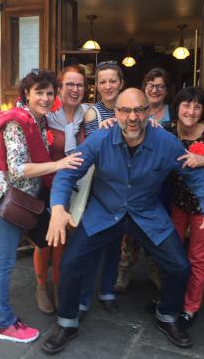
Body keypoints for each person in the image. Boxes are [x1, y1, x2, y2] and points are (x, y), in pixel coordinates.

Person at [41, 88, 204, 354]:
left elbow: (196, 177)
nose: (132, 117)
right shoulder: (100, 140)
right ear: (115, 113)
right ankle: (67, 322)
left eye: (139, 110)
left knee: (179, 266)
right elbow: (68, 172)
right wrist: (58, 207)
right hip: (104, 213)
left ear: (149, 111)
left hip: (146, 214)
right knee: (71, 262)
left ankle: (167, 316)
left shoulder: (166, 142)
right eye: (125, 110)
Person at [0, 70, 83, 343]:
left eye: (48, 93)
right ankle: (5, 322)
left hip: (19, 200)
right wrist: (58, 164)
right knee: (5, 262)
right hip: (7, 200)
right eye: (39, 93)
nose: (45, 98)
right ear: (27, 95)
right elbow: (18, 168)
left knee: (0, 258)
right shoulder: (17, 122)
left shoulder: (36, 120)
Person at [166, 86, 204, 329]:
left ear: (202, 110)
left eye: (197, 106)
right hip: (175, 201)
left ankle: (190, 307)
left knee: (197, 257)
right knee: (171, 253)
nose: (191, 110)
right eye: (186, 105)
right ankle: (171, 299)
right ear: (177, 107)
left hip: (203, 206)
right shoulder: (168, 131)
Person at [33, 65, 88, 315]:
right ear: (59, 87)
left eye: (80, 85)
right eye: (70, 84)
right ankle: (41, 286)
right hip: (47, 186)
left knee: (64, 241)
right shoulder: (45, 115)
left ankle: (58, 284)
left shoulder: (87, 116)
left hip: (76, 189)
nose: (75, 90)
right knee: (45, 240)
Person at [115, 68, 173, 293]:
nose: (155, 90)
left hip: (161, 180)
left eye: (160, 86)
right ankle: (125, 269)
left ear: (167, 90)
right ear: (144, 87)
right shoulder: (131, 112)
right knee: (129, 228)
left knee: (154, 225)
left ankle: (154, 269)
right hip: (133, 177)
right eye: (151, 85)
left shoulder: (173, 112)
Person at [81, 61, 125, 315]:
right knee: (91, 244)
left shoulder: (131, 110)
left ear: (121, 83)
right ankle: (84, 297)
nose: (108, 86)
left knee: (114, 244)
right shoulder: (92, 114)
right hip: (98, 189)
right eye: (103, 81)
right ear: (97, 85)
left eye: (113, 81)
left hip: (121, 189)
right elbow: (90, 153)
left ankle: (107, 289)